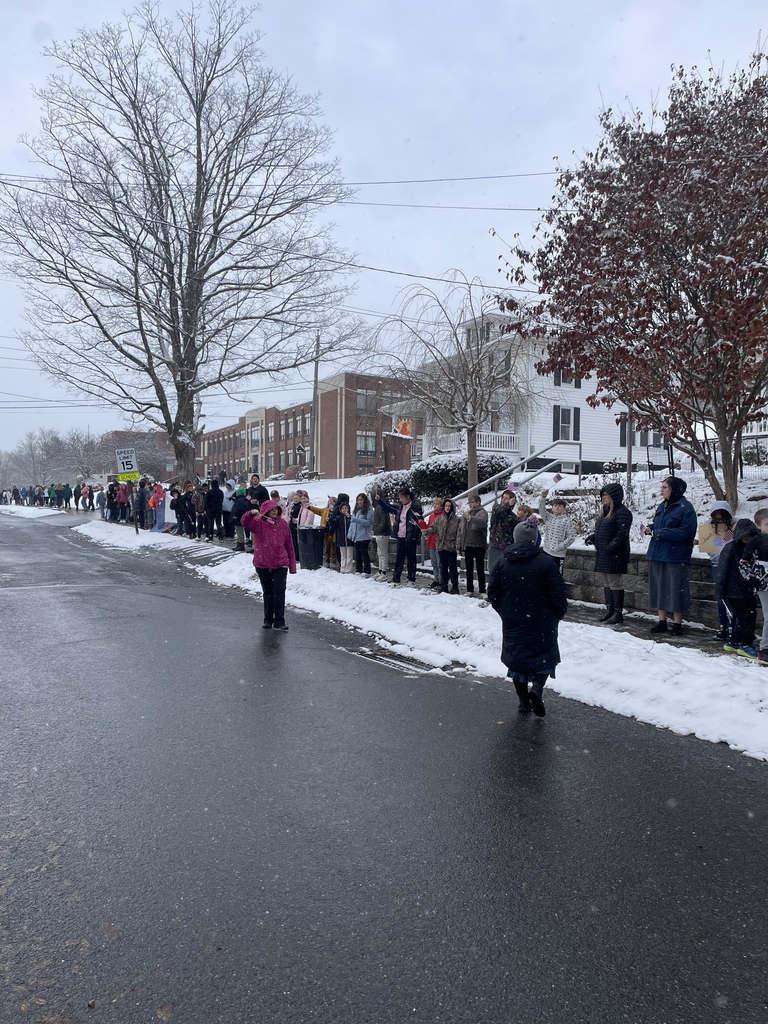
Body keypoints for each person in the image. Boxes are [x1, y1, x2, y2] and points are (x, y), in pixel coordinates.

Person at [488, 519, 568, 718]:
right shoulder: (546, 562)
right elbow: (558, 593)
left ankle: (524, 701)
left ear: (515, 538)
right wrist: (556, 614)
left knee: (517, 660)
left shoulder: (503, 561)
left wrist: (504, 611)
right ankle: (537, 689)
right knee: (544, 657)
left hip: (513, 619)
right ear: (534, 539)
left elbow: (493, 592)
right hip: (542, 620)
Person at [645, 476, 698, 636]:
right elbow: (660, 524)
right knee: (659, 588)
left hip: (675, 555)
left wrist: (660, 532)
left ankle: (677, 623)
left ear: (674, 490)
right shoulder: (662, 505)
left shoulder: (686, 508)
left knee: (676, 589)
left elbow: (686, 532)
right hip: (658, 553)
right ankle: (662, 621)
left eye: (665, 487)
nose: (661, 490)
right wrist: (651, 528)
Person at [240, 499, 297, 630]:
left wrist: (292, 565)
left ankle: (279, 621)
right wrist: (250, 513)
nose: (274, 511)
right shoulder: (258, 523)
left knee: (279, 591)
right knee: (268, 592)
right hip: (263, 563)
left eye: (276, 509)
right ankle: (268, 619)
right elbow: (244, 522)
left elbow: (289, 545)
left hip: (280, 563)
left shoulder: (282, 524)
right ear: (265, 510)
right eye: (271, 509)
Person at [584, 483, 633, 625]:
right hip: (604, 553)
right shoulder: (605, 512)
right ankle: (610, 610)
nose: (603, 498)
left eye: (606, 495)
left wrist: (609, 548)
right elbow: (604, 531)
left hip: (615, 554)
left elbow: (622, 534)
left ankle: (618, 613)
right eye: (602, 495)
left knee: (614, 583)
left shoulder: (622, 512)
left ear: (614, 496)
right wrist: (593, 537)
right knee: (607, 583)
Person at [716, 518, 760, 659]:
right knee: (748, 618)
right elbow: (722, 570)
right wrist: (721, 590)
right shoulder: (731, 548)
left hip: (746, 589)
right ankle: (746, 644)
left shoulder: (752, 548)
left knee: (743, 618)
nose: (747, 538)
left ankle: (733, 641)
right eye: (745, 535)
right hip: (735, 591)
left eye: (751, 535)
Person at [375, 486, 423, 587]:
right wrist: (380, 500)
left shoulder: (415, 507)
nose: (400, 499)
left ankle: (411, 579)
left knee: (411, 559)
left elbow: (419, 521)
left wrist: (415, 534)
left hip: (410, 536)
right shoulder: (400, 507)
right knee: (399, 558)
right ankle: (396, 578)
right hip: (401, 535)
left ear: (408, 496)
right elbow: (389, 507)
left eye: (402, 497)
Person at [739, 508, 768, 663]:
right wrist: (751, 579)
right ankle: (764, 648)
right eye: (767, 524)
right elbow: (743, 563)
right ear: (758, 526)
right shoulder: (756, 542)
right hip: (764, 584)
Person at [703, 501, 734, 641]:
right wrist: (720, 555)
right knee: (721, 598)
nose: (719, 517)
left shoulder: (736, 524)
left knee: (733, 598)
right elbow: (710, 548)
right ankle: (723, 626)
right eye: (717, 515)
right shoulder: (708, 526)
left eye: (722, 514)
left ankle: (733, 626)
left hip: (734, 566)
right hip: (717, 565)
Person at [457, 494, 489, 596]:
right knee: (469, 568)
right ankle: (469, 589)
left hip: (479, 545)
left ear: (478, 502)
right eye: (469, 502)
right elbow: (461, 530)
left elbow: (482, 522)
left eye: (472, 502)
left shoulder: (482, 512)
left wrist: (471, 517)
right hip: (468, 544)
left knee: (480, 569)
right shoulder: (466, 514)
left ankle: (482, 590)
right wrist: (459, 544)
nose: (470, 504)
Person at [538, 489, 576, 573]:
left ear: (564, 509)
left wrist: (561, 546)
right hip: (546, 551)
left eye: (560, 506)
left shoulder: (567, 520)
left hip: (558, 555)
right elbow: (541, 509)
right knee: (544, 574)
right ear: (552, 508)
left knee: (557, 575)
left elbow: (571, 537)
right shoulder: (548, 517)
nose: (557, 507)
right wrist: (543, 496)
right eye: (555, 505)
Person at [429, 498, 461, 594]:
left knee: (452, 567)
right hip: (441, 546)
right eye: (446, 506)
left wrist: (458, 546)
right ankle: (444, 585)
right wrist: (427, 531)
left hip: (451, 546)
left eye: (449, 506)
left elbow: (459, 534)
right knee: (442, 567)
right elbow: (433, 529)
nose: (447, 508)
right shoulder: (439, 519)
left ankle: (455, 586)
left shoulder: (457, 520)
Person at [488, 491, 519, 573]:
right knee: (492, 571)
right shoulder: (496, 508)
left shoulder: (513, 516)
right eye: (503, 497)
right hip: (495, 546)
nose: (503, 499)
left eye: (506, 498)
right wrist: (507, 505)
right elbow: (499, 509)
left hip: (507, 547)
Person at [419, 497, 444, 590]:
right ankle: (436, 579)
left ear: (441, 506)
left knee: (439, 563)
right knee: (434, 563)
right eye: (434, 504)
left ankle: (441, 581)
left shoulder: (442, 516)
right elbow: (430, 528)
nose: (434, 505)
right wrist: (423, 525)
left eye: (436, 504)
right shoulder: (432, 516)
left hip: (439, 542)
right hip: (432, 541)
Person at [349, 493, 374, 575]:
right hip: (356, 535)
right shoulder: (356, 510)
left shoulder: (369, 510)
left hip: (365, 535)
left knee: (364, 552)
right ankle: (358, 569)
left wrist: (357, 520)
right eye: (358, 500)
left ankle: (367, 570)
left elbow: (369, 522)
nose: (359, 502)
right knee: (357, 553)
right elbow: (353, 523)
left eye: (361, 500)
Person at [327, 499, 354, 573]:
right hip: (341, 539)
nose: (344, 510)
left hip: (349, 539)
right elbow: (334, 525)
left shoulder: (351, 518)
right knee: (343, 555)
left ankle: (348, 568)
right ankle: (343, 567)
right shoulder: (338, 518)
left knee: (349, 555)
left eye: (346, 508)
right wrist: (330, 521)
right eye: (343, 508)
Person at [372, 493, 392, 580]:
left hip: (382, 534)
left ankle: (383, 572)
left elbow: (383, 520)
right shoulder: (378, 507)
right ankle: (380, 571)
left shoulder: (380, 507)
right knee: (380, 553)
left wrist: (377, 530)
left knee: (383, 553)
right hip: (379, 533)